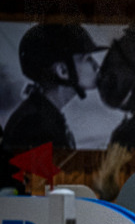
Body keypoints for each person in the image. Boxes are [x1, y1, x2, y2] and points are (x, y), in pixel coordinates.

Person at [3, 24, 106, 153]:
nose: (96, 65)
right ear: (63, 71)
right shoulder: (36, 127)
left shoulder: (42, 116)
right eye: (87, 58)